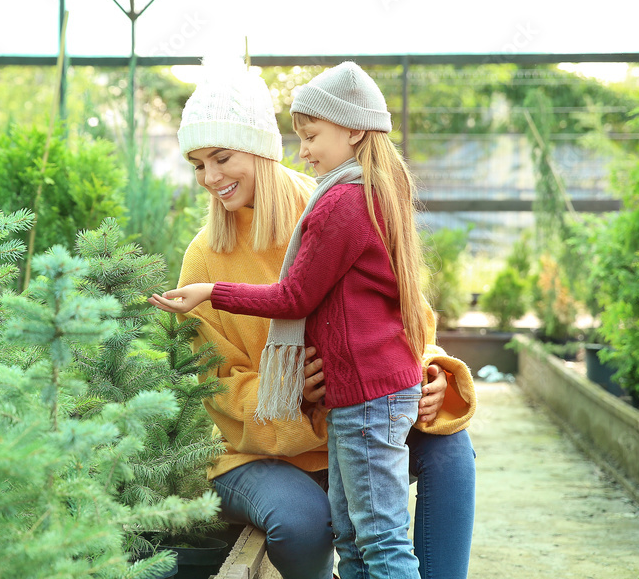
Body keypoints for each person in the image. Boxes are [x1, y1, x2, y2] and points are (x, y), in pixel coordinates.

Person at [152, 59, 477, 579]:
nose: (209, 178)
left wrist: (430, 373)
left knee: (449, 449)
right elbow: (207, 385)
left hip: (355, 416)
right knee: (306, 521)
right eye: (197, 164)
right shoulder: (205, 258)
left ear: (260, 151)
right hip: (257, 453)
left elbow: (403, 312)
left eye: (222, 156)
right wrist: (282, 388)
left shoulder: (332, 207)